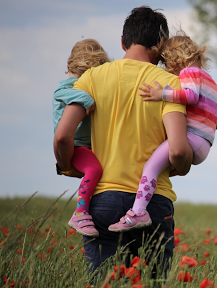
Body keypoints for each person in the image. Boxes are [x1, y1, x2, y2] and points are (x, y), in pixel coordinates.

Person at [53, 6, 192, 274]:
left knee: (106, 280)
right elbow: (177, 150)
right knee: (153, 281)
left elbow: (62, 136)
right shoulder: (169, 84)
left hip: (103, 200)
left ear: (122, 42)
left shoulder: (91, 78)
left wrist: (68, 165)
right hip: (154, 203)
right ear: (160, 44)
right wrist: (183, 166)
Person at [108, 32, 217, 232]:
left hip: (191, 138)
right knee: (161, 167)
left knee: (150, 167)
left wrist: (161, 94)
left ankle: (137, 212)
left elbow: (190, 96)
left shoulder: (190, 73)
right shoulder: (214, 85)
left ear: (175, 59)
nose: (166, 69)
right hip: (205, 144)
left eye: (166, 63)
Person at [53, 39, 110, 237]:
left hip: (86, 145)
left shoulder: (80, 84)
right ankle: (80, 212)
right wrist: (86, 99)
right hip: (76, 145)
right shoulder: (70, 86)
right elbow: (60, 92)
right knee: (94, 169)